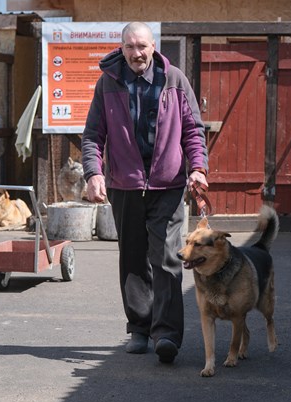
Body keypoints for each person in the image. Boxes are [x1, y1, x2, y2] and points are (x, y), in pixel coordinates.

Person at [81, 22, 208, 364]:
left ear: (154, 47)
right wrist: (93, 173)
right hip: (125, 184)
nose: (136, 53)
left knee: (167, 257)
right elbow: (93, 134)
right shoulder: (108, 82)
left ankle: (166, 333)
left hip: (168, 183)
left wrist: (198, 167)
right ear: (121, 48)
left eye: (142, 46)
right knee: (134, 257)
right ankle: (139, 327)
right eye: (130, 46)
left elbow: (194, 130)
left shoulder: (174, 79)